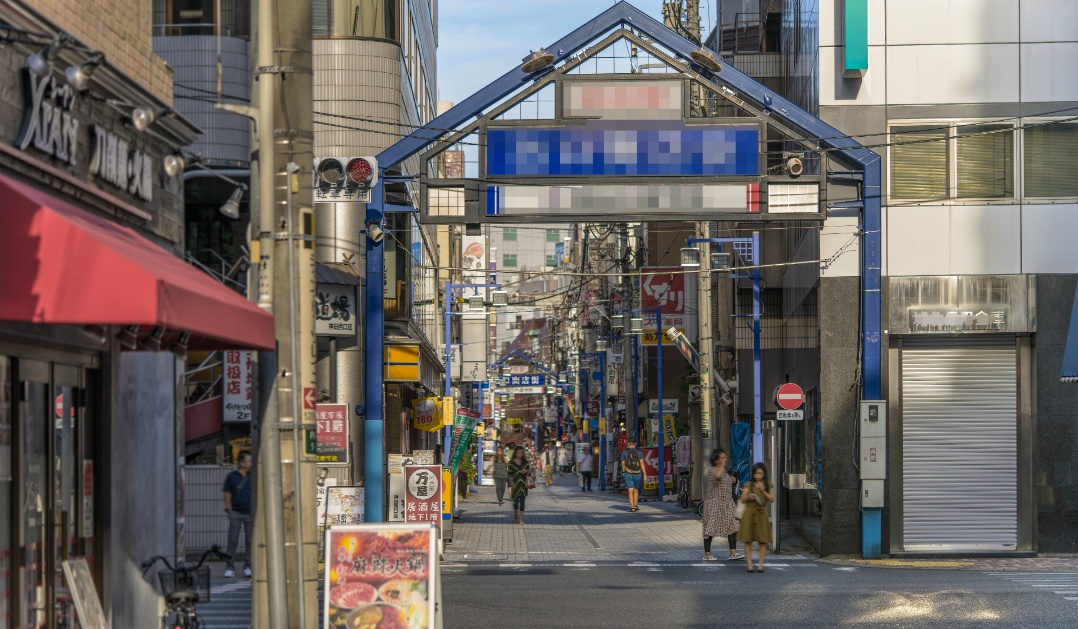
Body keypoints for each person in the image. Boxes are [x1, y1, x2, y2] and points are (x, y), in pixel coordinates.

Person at [701, 450, 744, 561]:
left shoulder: (724, 471)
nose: (725, 459)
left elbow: (728, 480)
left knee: (733, 526)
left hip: (727, 503)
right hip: (714, 503)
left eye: (725, 457)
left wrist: (732, 479)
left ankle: (733, 553)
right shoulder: (712, 470)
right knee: (710, 528)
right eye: (722, 458)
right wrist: (723, 465)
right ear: (716, 460)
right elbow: (718, 476)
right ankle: (707, 554)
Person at [738, 462, 775, 573]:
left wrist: (763, 490)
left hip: (762, 513)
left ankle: (760, 565)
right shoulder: (748, 484)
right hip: (749, 513)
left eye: (760, 473)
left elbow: (772, 499)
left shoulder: (768, 485)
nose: (758, 476)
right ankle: (749, 564)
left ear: (764, 474)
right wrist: (749, 496)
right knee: (748, 540)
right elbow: (743, 499)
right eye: (756, 473)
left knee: (763, 540)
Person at [222, 450, 254, 578]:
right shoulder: (232, 476)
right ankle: (229, 567)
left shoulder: (254, 475)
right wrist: (229, 507)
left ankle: (248, 566)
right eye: (248, 461)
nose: (250, 463)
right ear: (241, 462)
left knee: (250, 541)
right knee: (232, 540)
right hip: (235, 511)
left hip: (250, 512)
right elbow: (227, 492)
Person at [508, 446, 532, 524]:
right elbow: (510, 474)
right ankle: (515, 513)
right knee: (515, 502)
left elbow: (529, 473)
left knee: (522, 501)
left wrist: (527, 471)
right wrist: (511, 483)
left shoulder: (525, 462)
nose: (520, 454)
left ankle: (521, 519)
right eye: (519, 453)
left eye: (521, 453)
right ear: (515, 453)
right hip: (515, 484)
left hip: (523, 485)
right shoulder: (511, 463)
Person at [620, 438, 643, 512]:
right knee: (636, 489)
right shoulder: (639, 452)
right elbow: (642, 463)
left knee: (630, 490)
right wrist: (645, 473)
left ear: (628, 443)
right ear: (635, 443)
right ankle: (635, 505)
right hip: (637, 472)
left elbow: (623, 464)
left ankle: (632, 507)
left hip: (628, 472)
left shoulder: (624, 452)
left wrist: (623, 472)